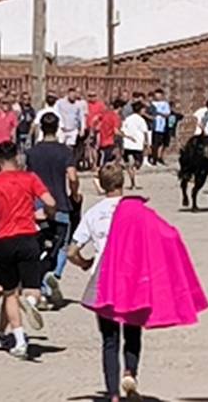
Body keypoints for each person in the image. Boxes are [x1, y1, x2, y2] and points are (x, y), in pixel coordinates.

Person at [0, 142, 57, 358]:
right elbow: (50, 201)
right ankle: (30, 302)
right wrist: (45, 215)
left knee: (9, 292)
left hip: (4, 240)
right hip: (28, 237)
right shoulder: (30, 178)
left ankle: (19, 341)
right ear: (17, 159)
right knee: (33, 287)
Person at [67, 164, 142, 402]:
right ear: (123, 183)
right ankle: (130, 372)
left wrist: (84, 263)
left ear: (100, 184)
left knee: (109, 339)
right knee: (132, 331)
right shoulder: (136, 210)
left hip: (104, 278)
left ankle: (112, 395)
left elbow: (71, 251)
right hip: (131, 276)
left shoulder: (94, 213)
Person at [26, 113, 80, 309]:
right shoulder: (65, 152)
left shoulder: (32, 152)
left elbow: (27, 177)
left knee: (40, 246)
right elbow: (72, 177)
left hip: (38, 203)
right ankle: (54, 274)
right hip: (60, 201)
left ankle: (41, 287)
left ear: (41, 127)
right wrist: (74, 193)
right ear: (57, 128)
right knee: (63, 244)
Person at [120, 102, 150, 190]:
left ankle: (132, 181)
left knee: (129, 165)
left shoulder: (127, 119)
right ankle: (133, 179)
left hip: (127, 144)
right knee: (137, 164)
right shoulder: (141, 120)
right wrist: (147, 143)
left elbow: (123, 130)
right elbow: (145, 132)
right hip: (137, 145)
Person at [149, 89, 171, 166]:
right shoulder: (152, 103)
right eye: (156, 95)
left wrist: (159, 113)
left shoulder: (165, 104)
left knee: (162, 143)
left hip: (162, 126)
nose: (157, 97)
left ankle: (159, 157)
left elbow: (167, 114)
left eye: (159, 95)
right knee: (154, 144)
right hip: (154, 127)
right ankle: (154, 159)